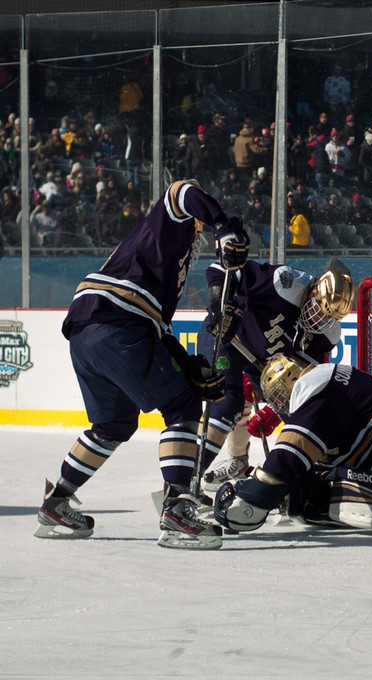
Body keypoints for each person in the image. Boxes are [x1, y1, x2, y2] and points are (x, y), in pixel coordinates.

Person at [34, 180, 250, 550]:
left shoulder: (162, 264)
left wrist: (190, 368)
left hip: (88, 332)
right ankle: (178, 508)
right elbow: (182, 190)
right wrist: (222, 223)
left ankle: (56, 501)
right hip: (118, 323)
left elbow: (157, 330)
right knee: (182, 407)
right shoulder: (170, 225)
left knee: (113, 424)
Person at [213, 355, 372, 536]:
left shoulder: (313, 387)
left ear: (290, 382)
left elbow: (291, 453)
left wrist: (253, 498)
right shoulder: (323, 381)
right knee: (317, 494)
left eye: (278, 396)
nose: (279, 405)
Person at [197, 258, 354, 493]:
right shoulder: (284, 283)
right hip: (229, 338)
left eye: (328, 317)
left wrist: (273, 408)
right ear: (312, 291)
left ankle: (298, 481)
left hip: (262, 362)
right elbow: (220, 268)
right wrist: (220, 305)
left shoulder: (327, 335)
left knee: (300, 417)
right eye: (318, 309)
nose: (319, 320)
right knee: (227, 404)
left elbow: (308, 382)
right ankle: (185, 480)